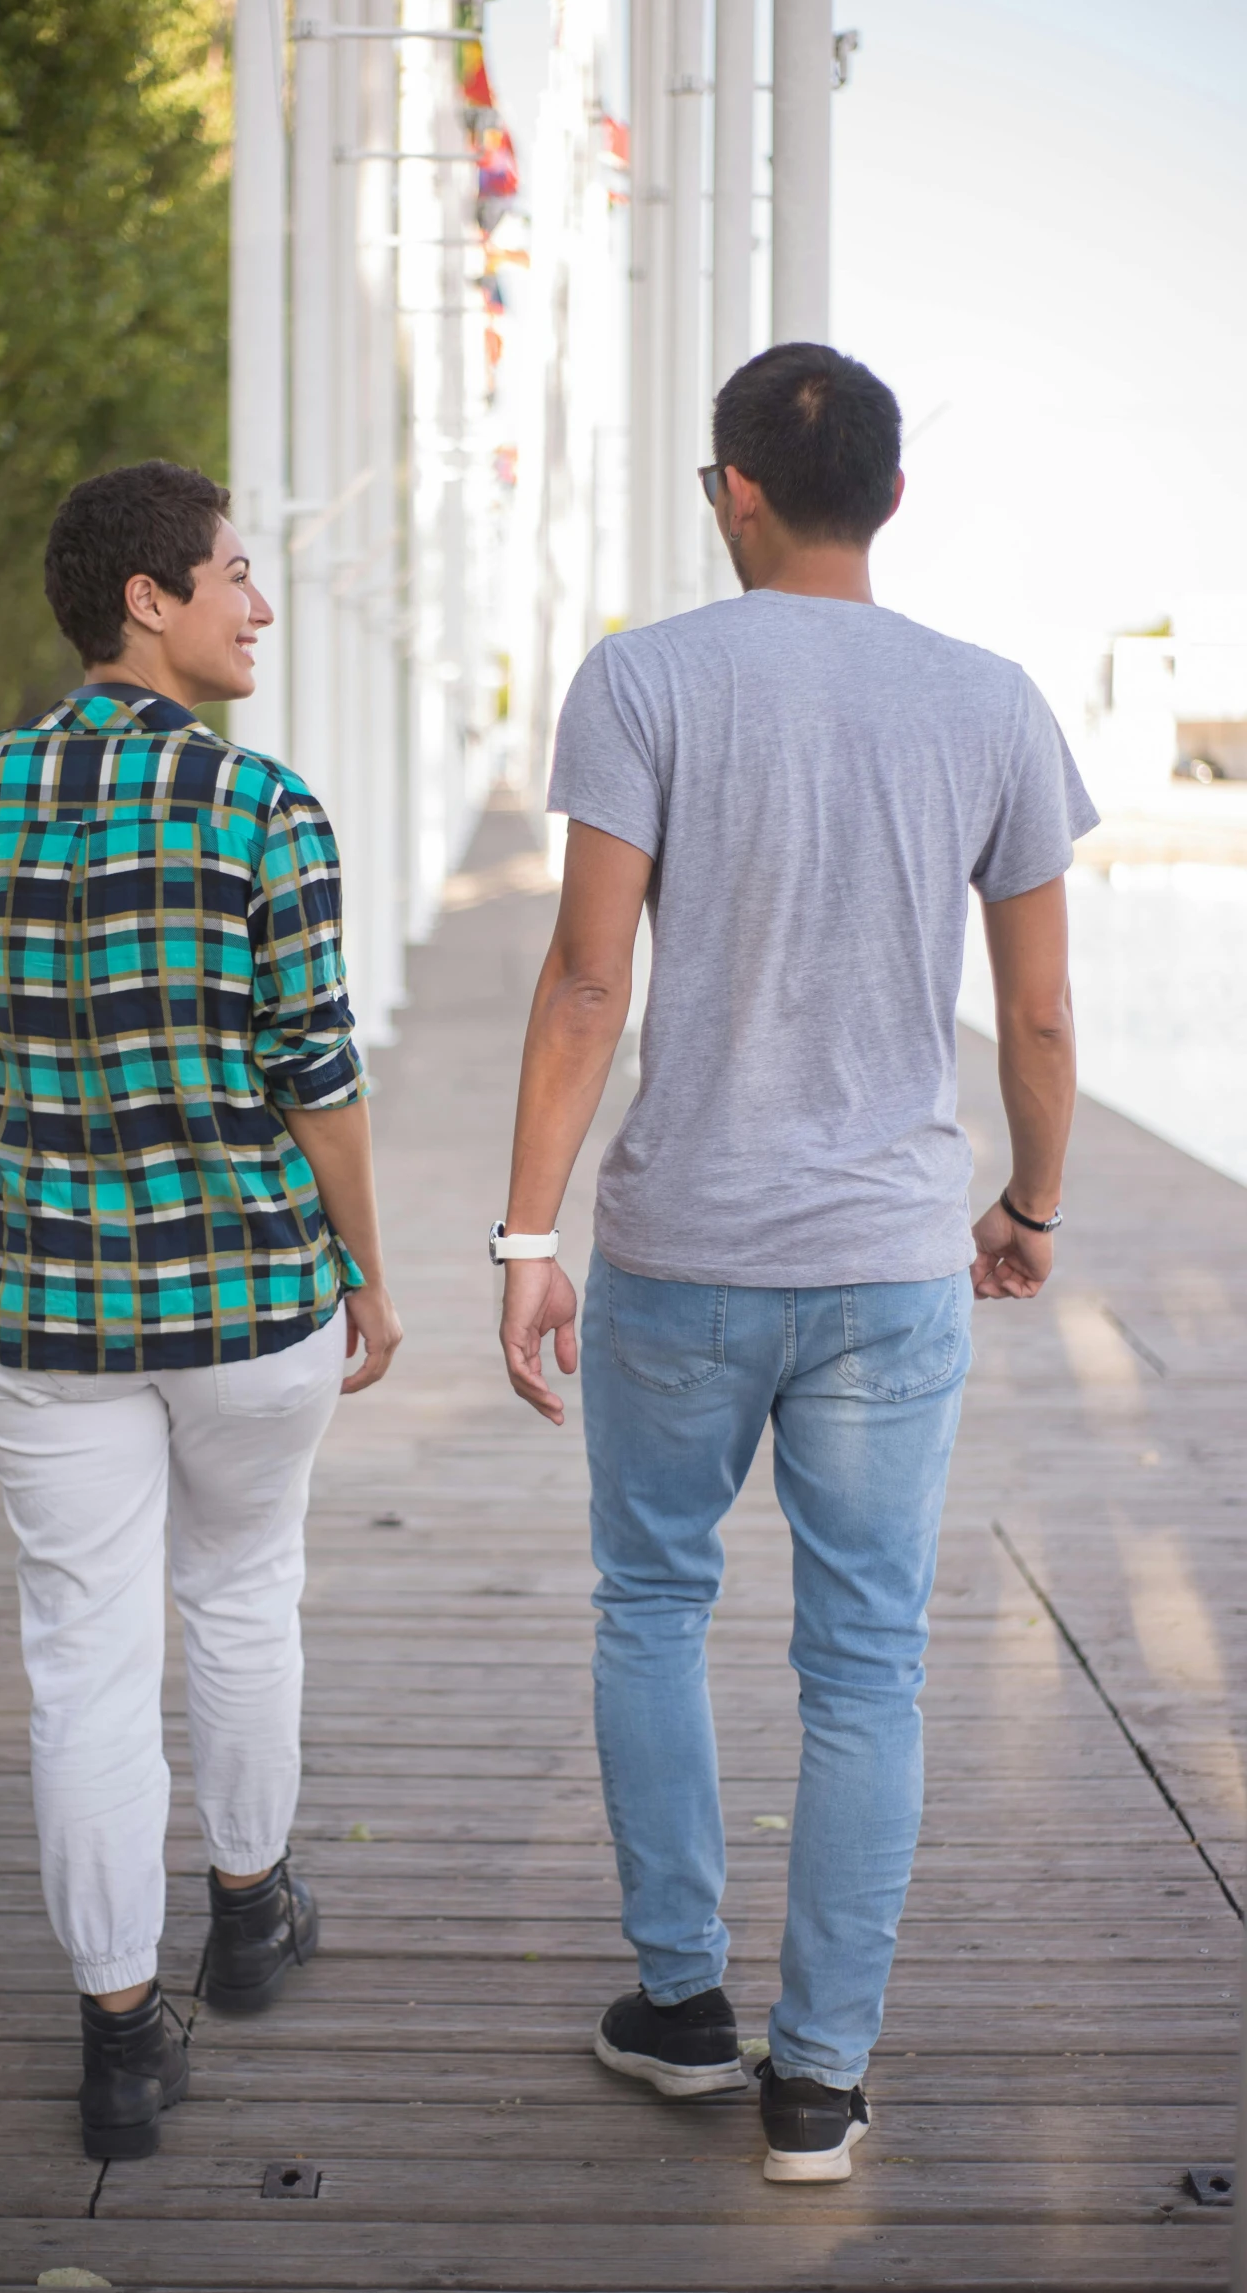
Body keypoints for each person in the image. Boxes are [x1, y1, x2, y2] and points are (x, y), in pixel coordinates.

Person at [493, 344, 1093, 2184]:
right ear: (890, 501)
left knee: (653, 1606)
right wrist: (1032, 1207)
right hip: (890, 1261)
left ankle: (682, 2005)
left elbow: (591, 977)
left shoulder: (646, 678)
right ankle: (817, 2084)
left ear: (732, 490)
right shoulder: (990, 701)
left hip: (682, 1246)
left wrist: (529, 1233)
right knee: (868, 1671)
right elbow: (1044, 1018)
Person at [0, 460, 402, 2162]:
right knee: (246, 1591)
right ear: (149, 601)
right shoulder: (266, 811)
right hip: (252, 1298)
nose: (259, 606)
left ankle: (120, 2043)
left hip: (35, 1313)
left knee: (82, 1660)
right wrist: (372, 1273)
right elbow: (319, 1080)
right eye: (237, 575)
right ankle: (249, 1918)